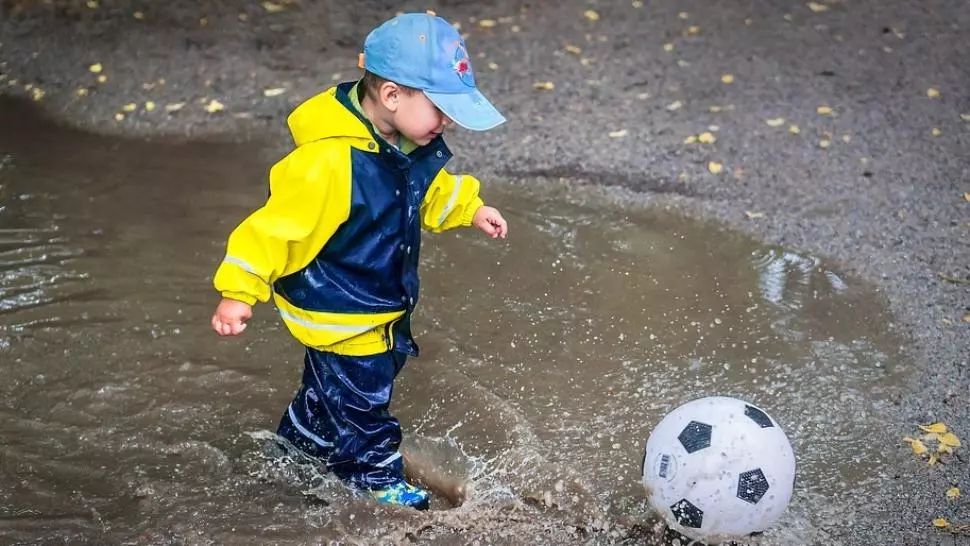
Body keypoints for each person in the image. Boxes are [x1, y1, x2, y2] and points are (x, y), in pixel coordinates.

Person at [209, 11, 507, 510]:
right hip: (345, 310)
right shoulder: (328, 162)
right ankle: (373, 480)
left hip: (367, 303)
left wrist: (471, 209)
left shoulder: (402, 144)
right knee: (366, 405)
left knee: (328, 391)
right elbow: (273, 227)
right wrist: (238, 293)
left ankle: (296, 448)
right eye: (441, 108)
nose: (448, 121)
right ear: (392, 95)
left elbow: (426, 194)